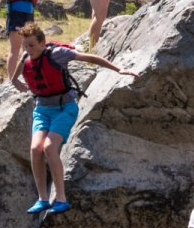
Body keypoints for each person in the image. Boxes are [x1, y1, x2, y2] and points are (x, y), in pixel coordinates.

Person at [11, 22, 138, 214]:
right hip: (42, 109)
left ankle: (61, 199)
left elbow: (90, 58)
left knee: (49, 147)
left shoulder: (57, 54)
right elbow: (17, 73)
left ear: (42, 43)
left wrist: (118, 69)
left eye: (31, 45)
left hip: (65, 108)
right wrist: (14, 80)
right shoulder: (26, 56)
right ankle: (42, 199)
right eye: (25, 45)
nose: (28, 49)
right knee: (36, 149)